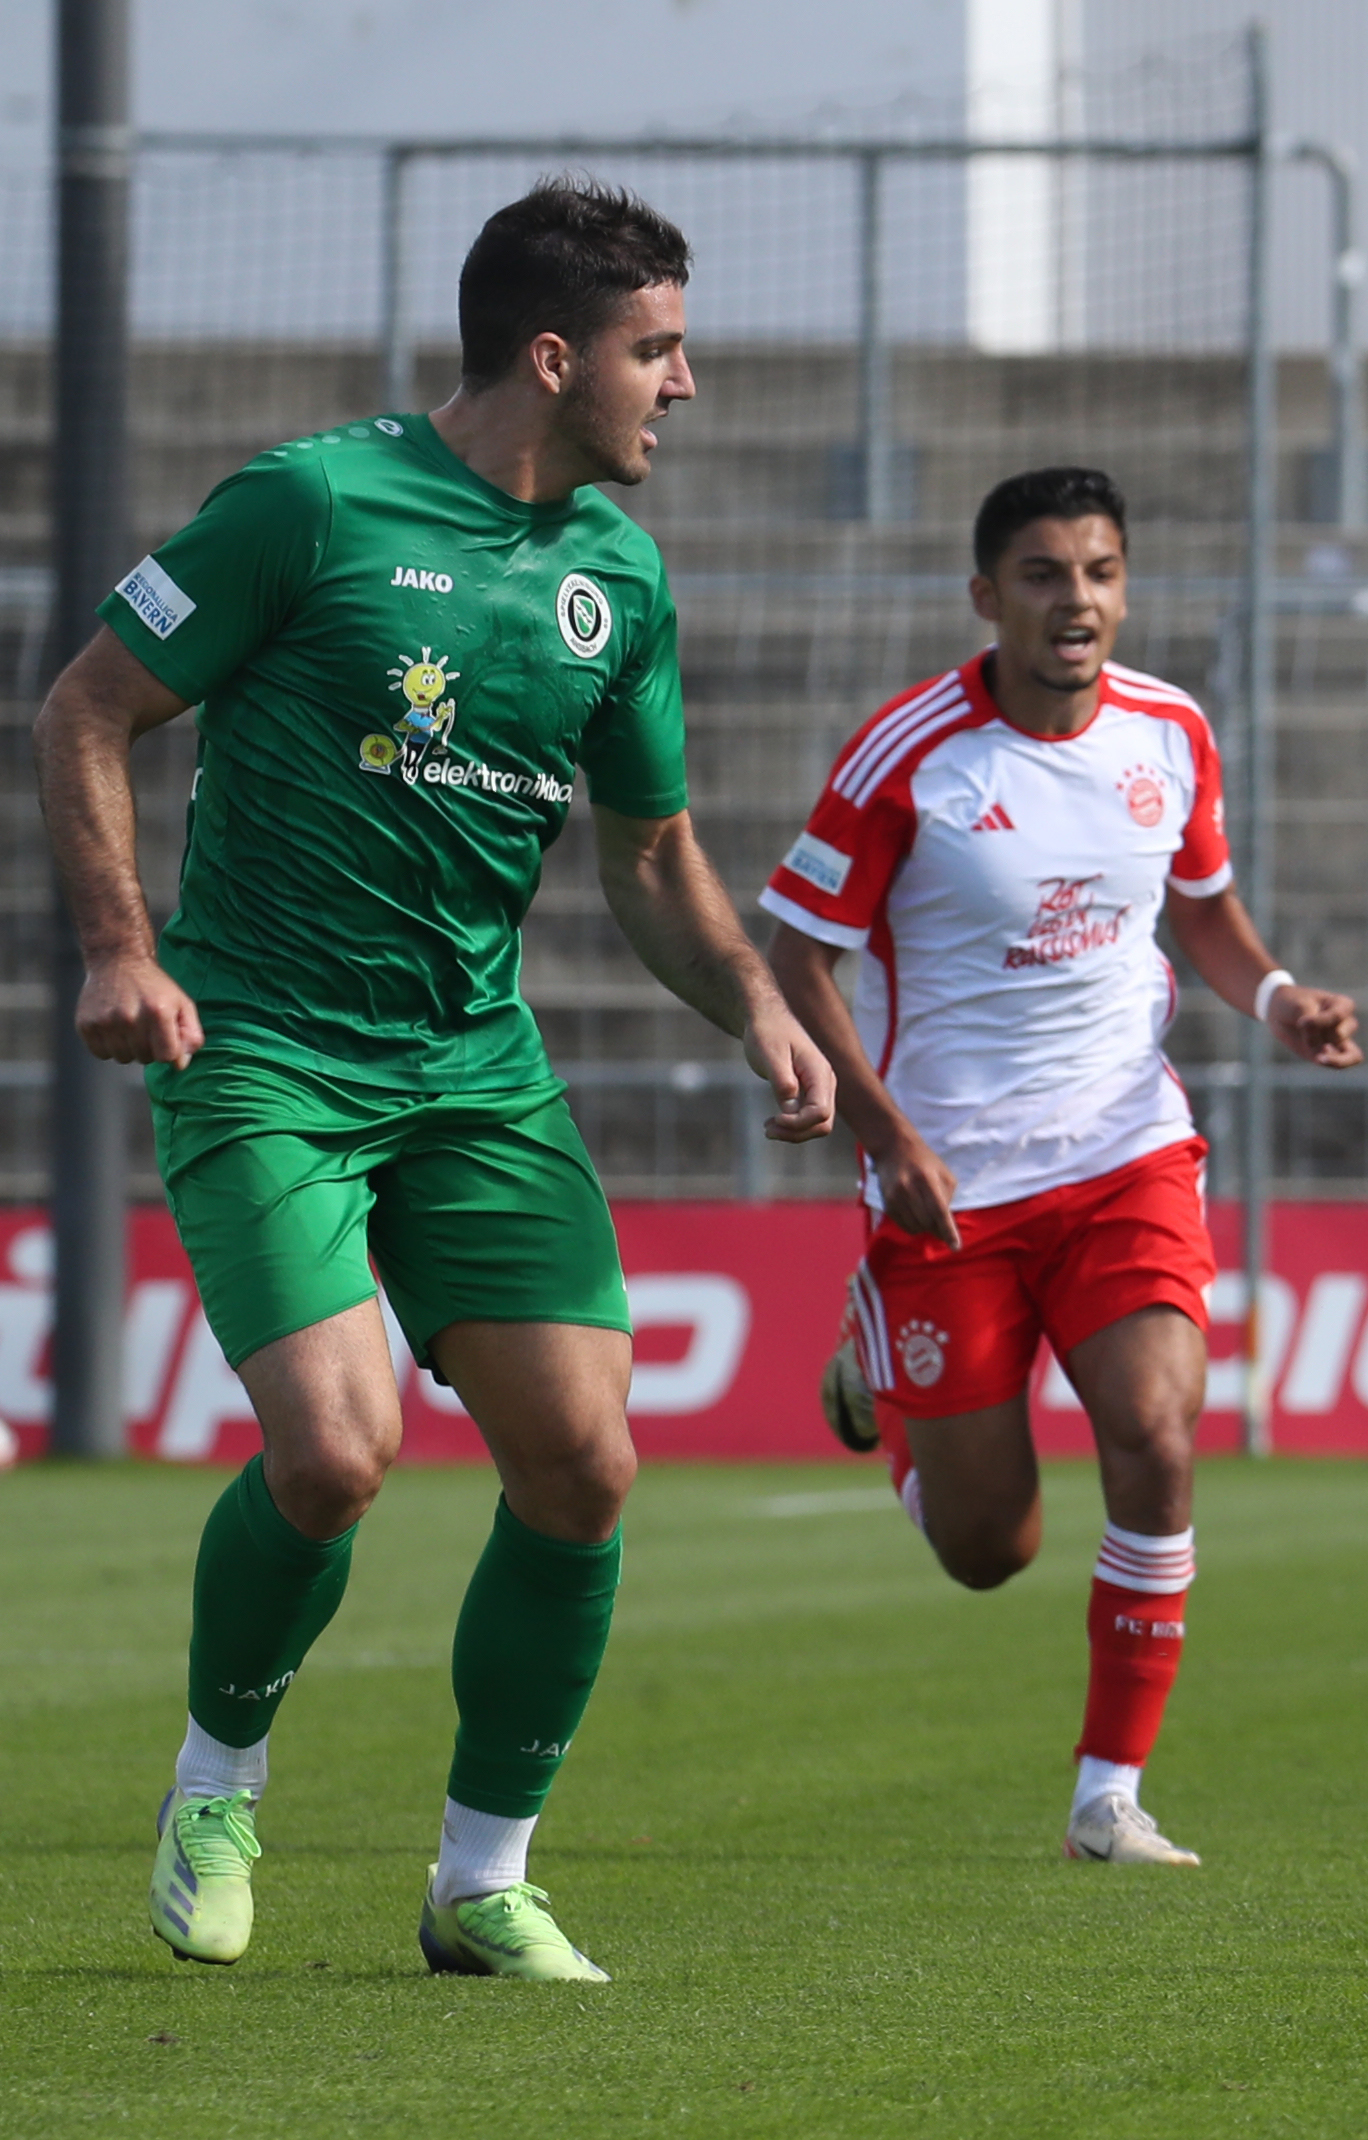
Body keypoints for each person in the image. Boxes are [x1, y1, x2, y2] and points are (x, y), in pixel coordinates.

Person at [40, 179, 836, 1982]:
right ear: (556, 358)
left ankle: (481, 1881)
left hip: (475, 1071)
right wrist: (116, 945)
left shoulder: (617, 578)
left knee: (584, 1466)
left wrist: (757, 1008)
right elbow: (86, 704)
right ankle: (217, 1780)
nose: (685, 385)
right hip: (269, 1055)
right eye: (660, 349)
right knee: (335, 1454)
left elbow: (651, 858)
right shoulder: (312, 501)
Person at [759, 465, 1361, 1867]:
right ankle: (875, 1365)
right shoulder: (907, 756)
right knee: (988, 1550)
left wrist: (1280, 1001)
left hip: (1122, 1150)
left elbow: (1203, 913)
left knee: (1156, 1434)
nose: (1073, 601)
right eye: (1041, 575)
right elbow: (797, 954)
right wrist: (881, 1132)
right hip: (947, 1181)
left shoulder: (1171, 730)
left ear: (1123, 589)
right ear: (987, 599)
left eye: (1096, 572)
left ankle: (1109, 1793)